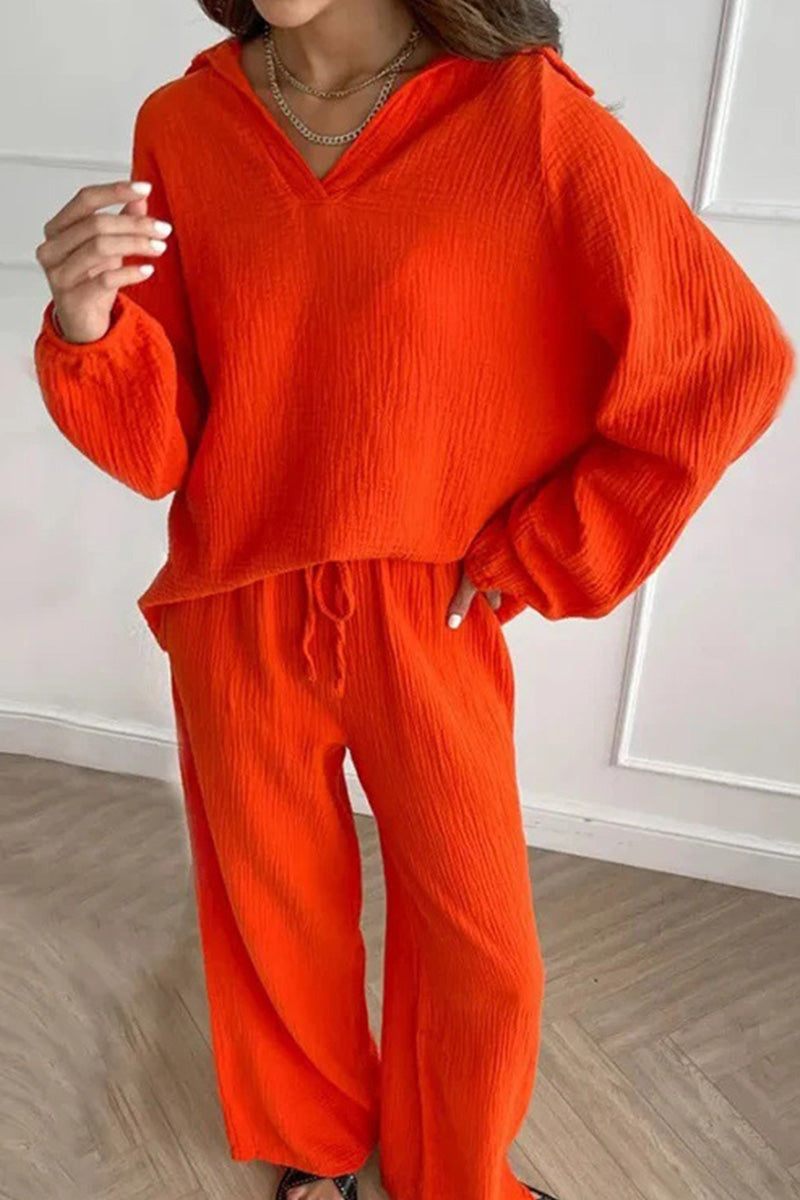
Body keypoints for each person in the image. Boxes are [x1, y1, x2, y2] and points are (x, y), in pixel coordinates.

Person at [31, 2, 795, 1199]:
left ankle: (455, 1177)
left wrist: (540, 550)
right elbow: (162, 446)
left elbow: (721, 359)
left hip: (422, 602)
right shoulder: (184, 123)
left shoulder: (521, 114)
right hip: (235, 596)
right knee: (274, 918)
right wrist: (88, 328)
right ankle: (318, 1152)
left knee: (481, 949)